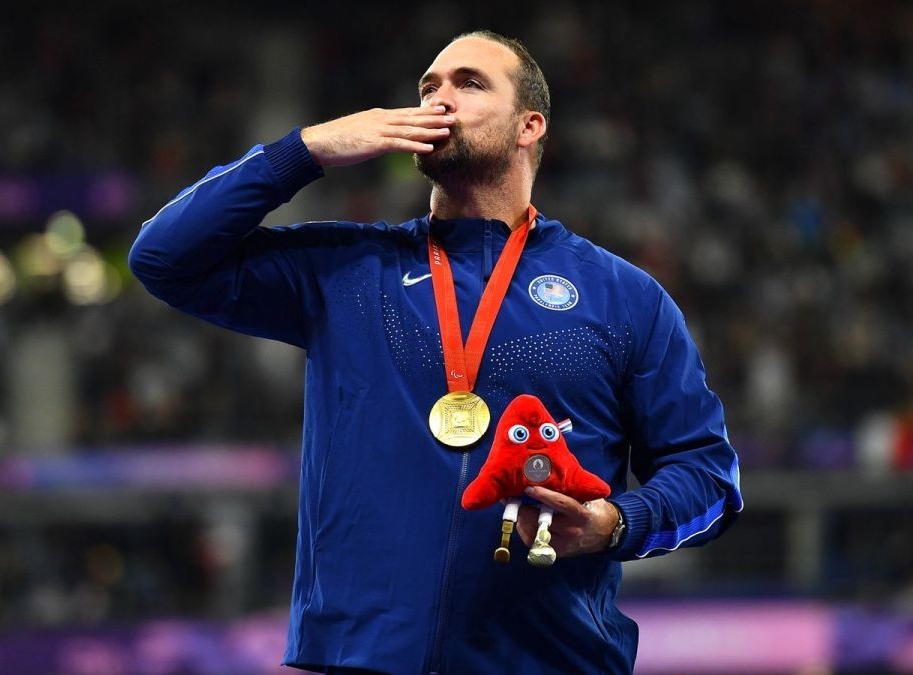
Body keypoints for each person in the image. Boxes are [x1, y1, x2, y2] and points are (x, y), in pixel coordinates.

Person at [130, 30, 742, 675]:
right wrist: (304, 150)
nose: (440, 98)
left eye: (469, 83)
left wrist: (616, 521)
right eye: (429, 87)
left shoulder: (621, 296)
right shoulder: (346, 271)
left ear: (529, 125)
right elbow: (164, 258)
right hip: (359, 660)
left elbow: (707, 474)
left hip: (549, 661)